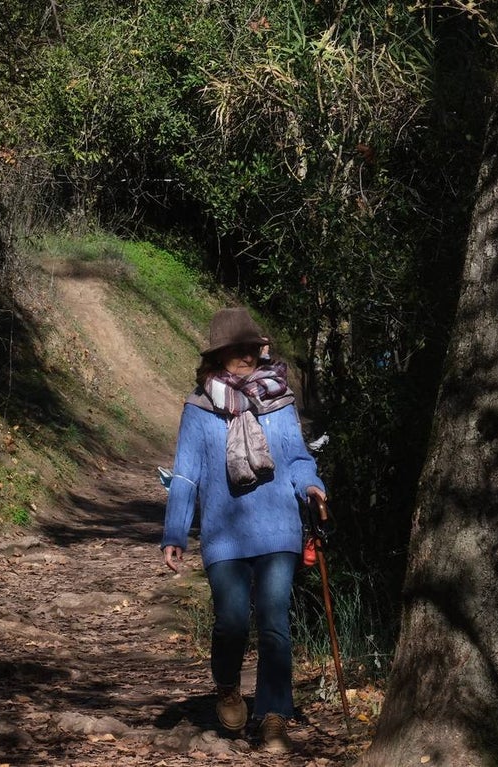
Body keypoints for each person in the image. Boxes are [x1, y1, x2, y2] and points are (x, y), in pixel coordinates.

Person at [161, 307, 326, 753]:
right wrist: (175, 533)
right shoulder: (199, 409)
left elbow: (297, 458)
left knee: (274, 622)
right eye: (235, 350)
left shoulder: (280, 401)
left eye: (250, 348)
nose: (245, 356)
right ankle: (228, 687)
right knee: (231, 622)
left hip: (278, 527)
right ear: (218, 356)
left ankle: (273, 715)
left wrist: (312, 485)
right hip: (224, 533)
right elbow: (186, 473)